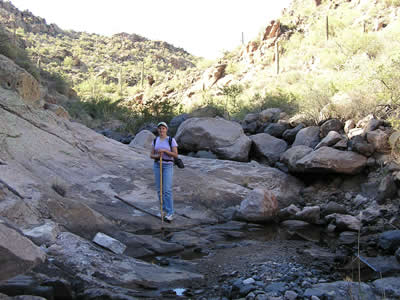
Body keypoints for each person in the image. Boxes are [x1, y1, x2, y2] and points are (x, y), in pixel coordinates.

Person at [150, 122, 178, 221]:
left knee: (167, 190)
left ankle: (170, 212)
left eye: (163, 128)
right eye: (160, 128)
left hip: (168, 165)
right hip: (157, 164)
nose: (161, 130)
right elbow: (151, 155)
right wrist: (157, 156)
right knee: (159, 189)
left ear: (166, 129)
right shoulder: (155, 140)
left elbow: (175, 154)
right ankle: (163, 210)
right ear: (157, 130)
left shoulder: (171, 140)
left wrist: (165, 151)